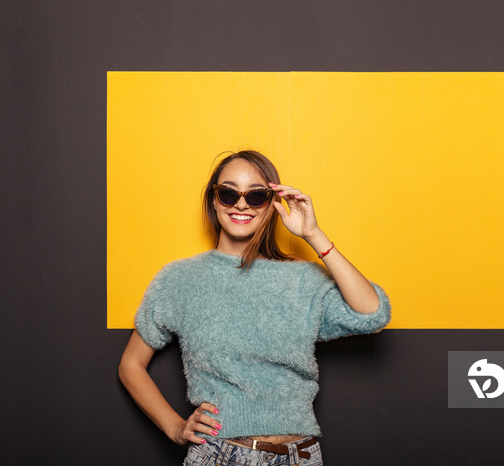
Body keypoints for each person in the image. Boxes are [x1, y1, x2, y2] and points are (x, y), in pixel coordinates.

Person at [119, 150, 391, 465]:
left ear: (272, 204)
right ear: (214, 200)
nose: (241, 204)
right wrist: (175, 427)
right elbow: (130, 365)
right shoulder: (179, 279)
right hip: (223, 455)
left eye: (257, 195)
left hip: (301, 456)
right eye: (229, 192)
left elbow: (373, 314)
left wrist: (314, 235)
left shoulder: (300, 278)